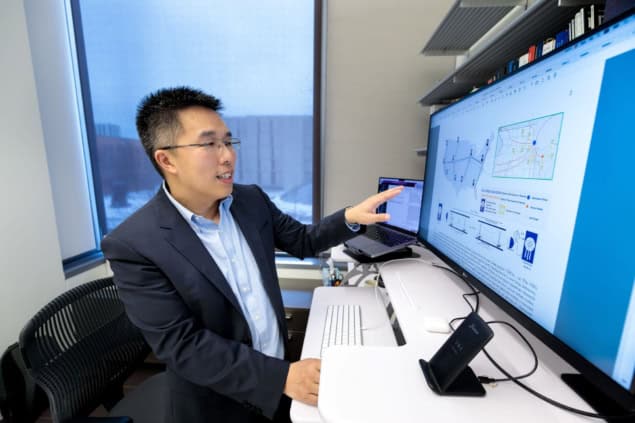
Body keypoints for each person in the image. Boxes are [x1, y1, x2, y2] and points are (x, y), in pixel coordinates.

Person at [101, 86, 403, 423]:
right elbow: (182, 345)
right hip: (216, 404)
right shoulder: (133, 243)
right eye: (209, 143)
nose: (227, 155)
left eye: (228, 142)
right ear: (166, 159)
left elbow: (301, 240)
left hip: (279, 380)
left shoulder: (251, 200)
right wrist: (280, 378)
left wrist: (349, 218)